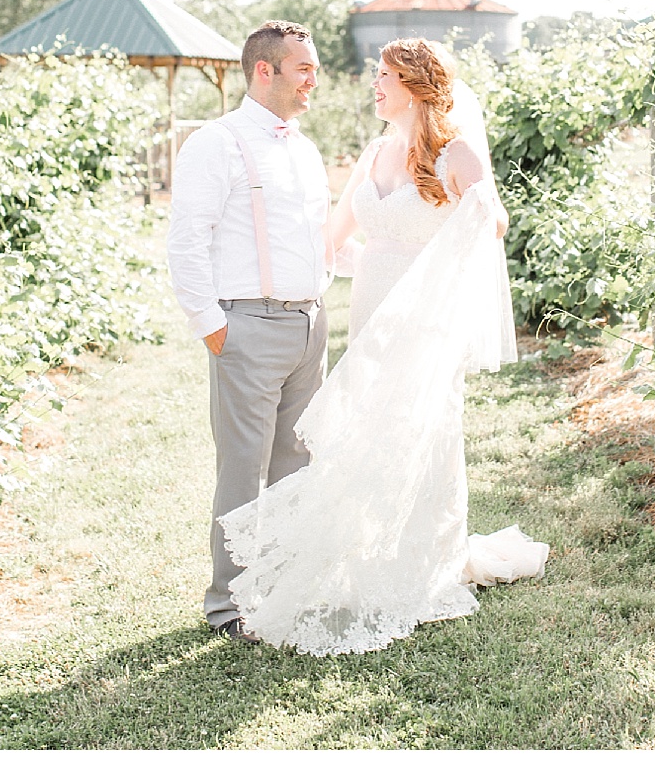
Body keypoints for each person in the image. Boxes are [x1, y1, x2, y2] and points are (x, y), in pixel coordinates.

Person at [217, 37, 548, 656]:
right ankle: (364, 554)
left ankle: (425, 563)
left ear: (418, 86)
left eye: (386, 76)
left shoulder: (457, 152)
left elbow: (494, 222)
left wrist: (477, 201)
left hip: (425, 319)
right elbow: (331, 236)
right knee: (365, 435)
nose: (375, 85)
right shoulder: (372, 153)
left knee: (424, 434)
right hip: (370, 315)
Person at [166, 20, 331, 643]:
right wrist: (213, 326)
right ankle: (228, 607)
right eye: (304, 69)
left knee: (297, 463)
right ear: (266, 70)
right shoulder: (218, 142)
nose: (313, 79)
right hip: (247, 328)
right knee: (244, 469)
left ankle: (282, 592)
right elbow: (187, 240)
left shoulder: (304, 148)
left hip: (309, 325)